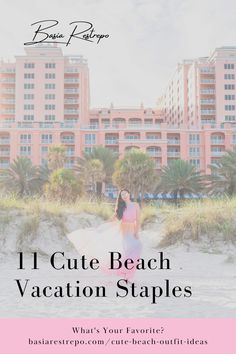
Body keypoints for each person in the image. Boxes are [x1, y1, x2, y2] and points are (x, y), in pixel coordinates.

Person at [67, 189, 142, 280]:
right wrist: (102, 226)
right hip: (124, 231)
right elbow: (113, 218)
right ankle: (126, 276)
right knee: (127, 252)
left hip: (133, 229)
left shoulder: (135, 205)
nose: (124, 195)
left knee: (137, 247)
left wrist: (136, 232)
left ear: (129, 193)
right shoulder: (120, 207)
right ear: (121, 197)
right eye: (122, 195)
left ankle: (128, 274)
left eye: (125, 193)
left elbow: (138, 220)